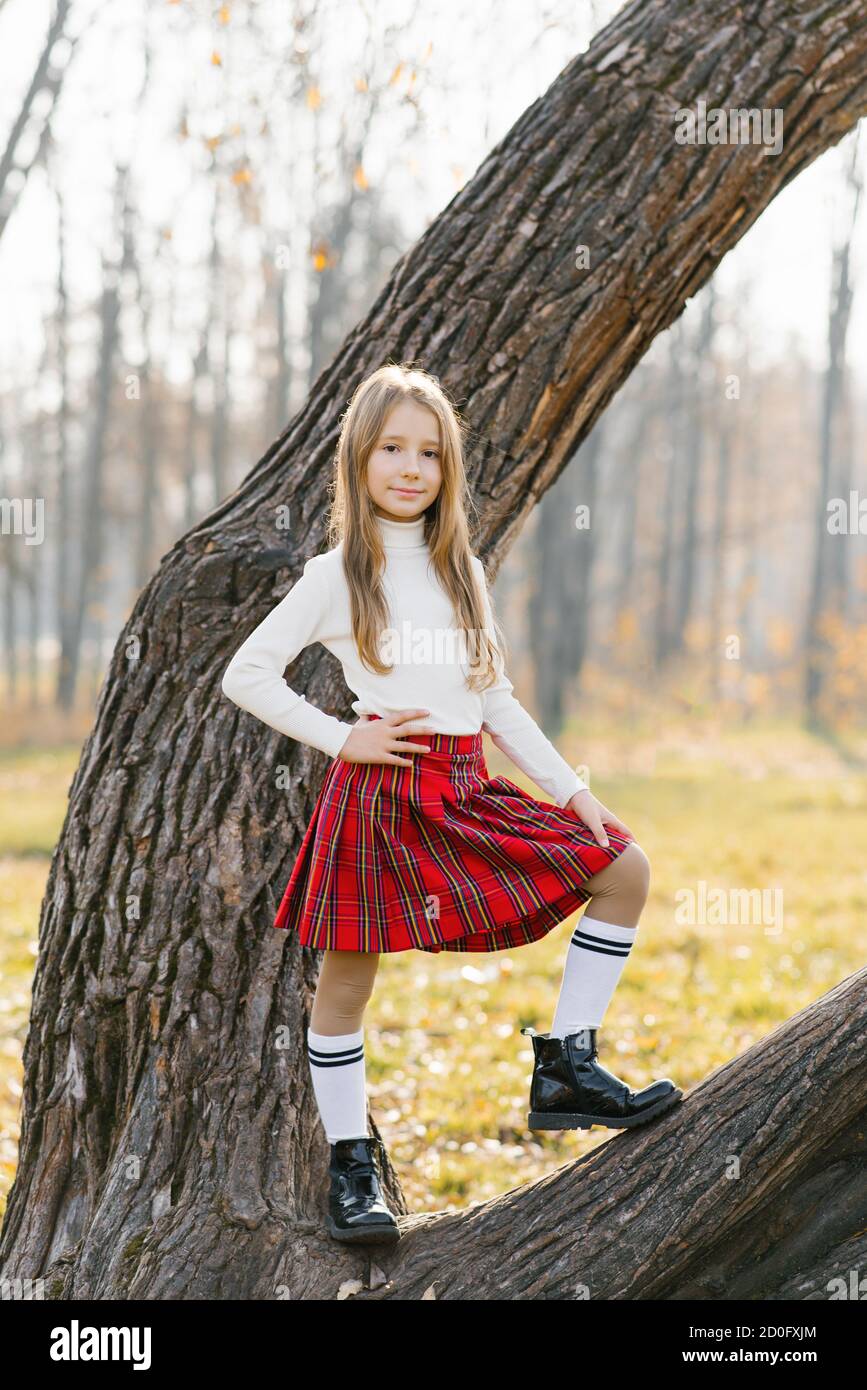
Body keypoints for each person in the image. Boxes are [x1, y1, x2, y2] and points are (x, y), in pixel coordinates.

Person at [221, 363, 682, 1244]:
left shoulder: (461, 569)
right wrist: (341, 736)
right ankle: (352, 1173)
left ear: (448, 470)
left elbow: (495, 698)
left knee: (624, 868)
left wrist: (573, 793)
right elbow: (246, 673)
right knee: (347, 981)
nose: (410, 467)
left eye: (428, 453)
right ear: (357, 460)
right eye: (391, 448)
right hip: (380, 789)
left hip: (466, 785)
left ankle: (568, 1067)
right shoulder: (333, 575)